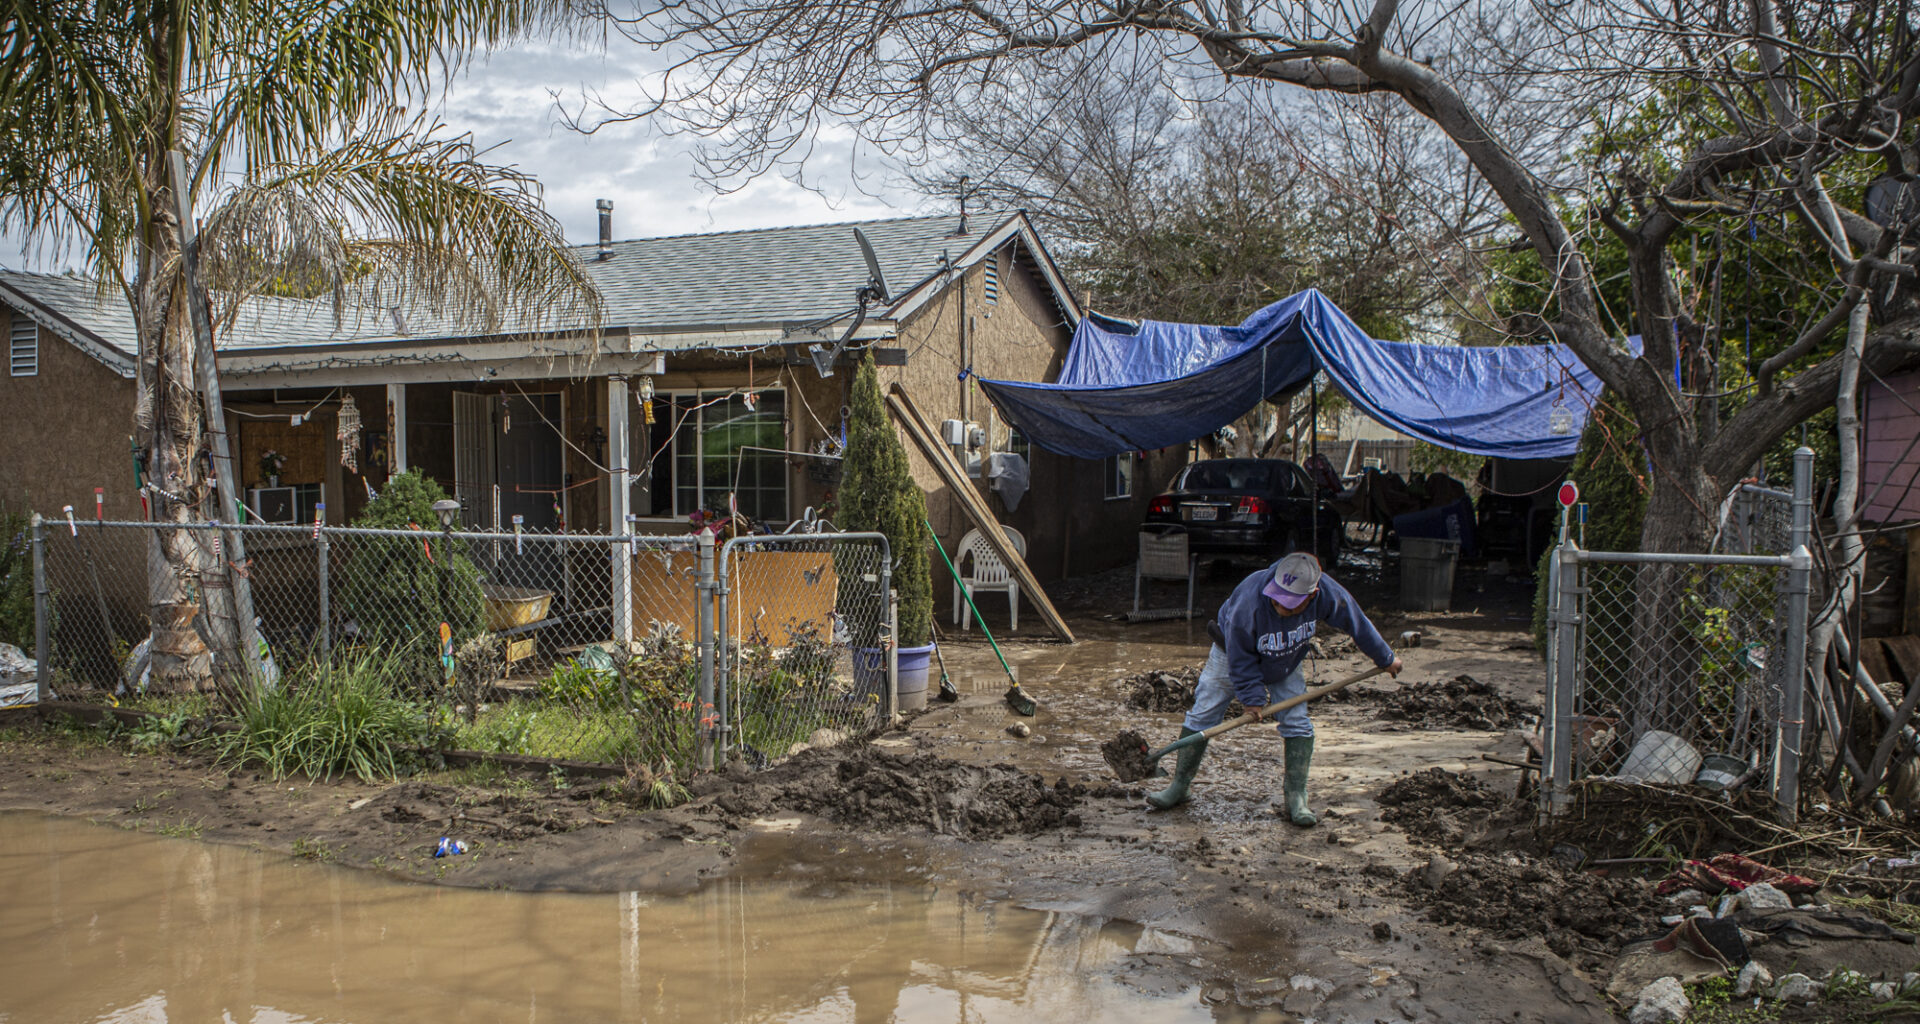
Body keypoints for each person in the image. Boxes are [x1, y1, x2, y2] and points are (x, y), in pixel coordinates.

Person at [1147, 552, 1402, 825]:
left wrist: (1385, 658)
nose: (1281, 608)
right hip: (1230, 654)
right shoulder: (1248, 603)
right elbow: (1241, 658)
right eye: (1278, 601)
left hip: (1285, 659)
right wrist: (1252, 699)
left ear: (1312, 595)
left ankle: (1296, 797)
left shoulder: (1327, 592)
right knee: (1203, 713)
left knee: (1296, 721)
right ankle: (1179, 786)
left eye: (1291, 606)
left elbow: (1356, 621)